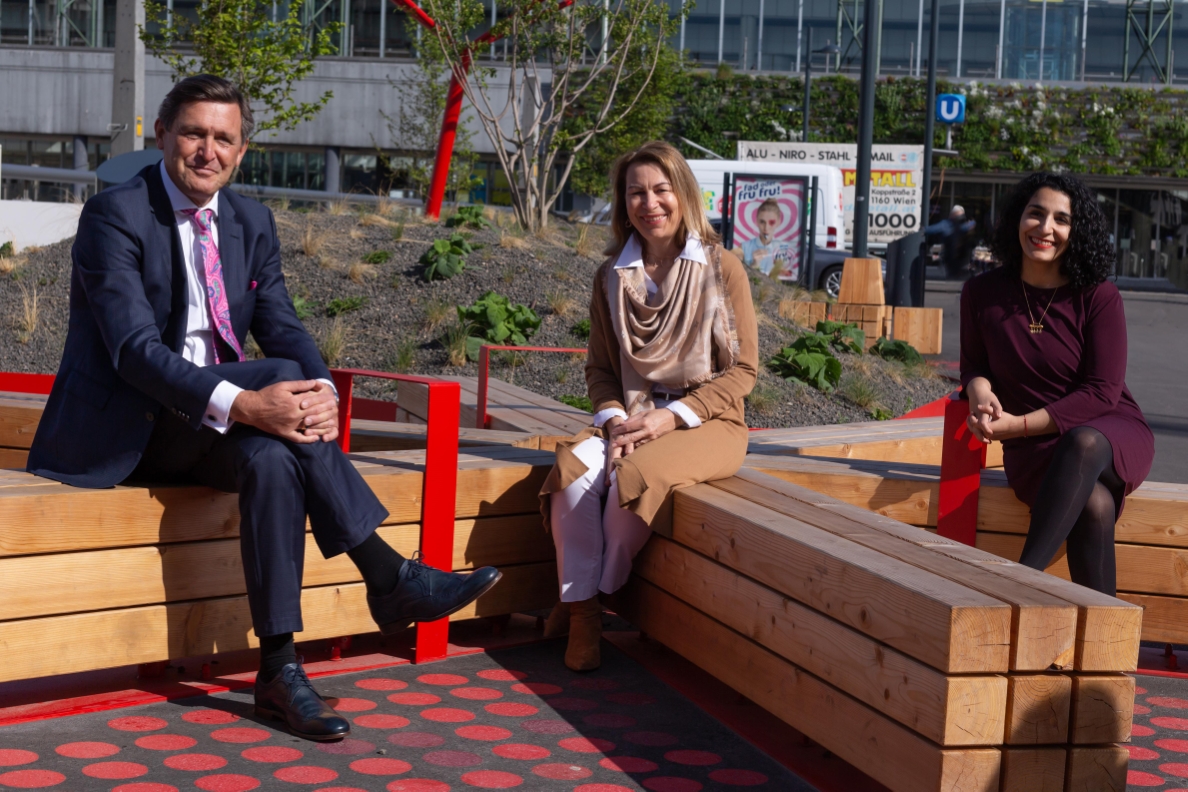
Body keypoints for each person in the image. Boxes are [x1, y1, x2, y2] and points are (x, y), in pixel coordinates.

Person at [27, 75, 500, 740]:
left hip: (214, 429)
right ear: (162, 136)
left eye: (223, 138)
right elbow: (133, 352)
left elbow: (283, 327)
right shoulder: (116, 217)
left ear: (241, 151)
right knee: (276, 386)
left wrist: (323, 400)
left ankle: (279, 670)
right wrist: (251, 399)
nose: (206, 150)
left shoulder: (251, 222)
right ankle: (387, 572)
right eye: (193, 132)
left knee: (272, 460)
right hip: (132, 431)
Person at [539, 141, 758, 671]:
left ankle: (588, 595)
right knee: (571, 473)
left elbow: (744, 371)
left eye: (661, 190)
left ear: (683, 195)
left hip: (707, 420)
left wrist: (670, 417)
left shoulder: (721, 268)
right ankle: (584, 611)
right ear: (623, 202)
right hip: (632, 416)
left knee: (630, 478)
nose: (649, 202)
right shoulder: (610, 275)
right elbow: (601, 370)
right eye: (636, 192)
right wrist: (615, 419)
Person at [960, 172, 1154, 596]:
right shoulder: (981, 292)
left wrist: (1015, 426)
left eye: (1061, 220)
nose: (1046, 228)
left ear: (1075, 231)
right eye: (1036, 213)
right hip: (1036, 452)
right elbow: (974, 364)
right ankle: (1102, 645)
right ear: (1017, 219)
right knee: (1093, 504)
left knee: (1083, 443)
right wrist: (979, 389)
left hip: (1109, 430)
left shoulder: (1098, 296)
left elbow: (1103, 392)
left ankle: (1019, 580)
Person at [740, 198, 792, 277]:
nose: (766, 227)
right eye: (762, 222)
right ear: (757, 221)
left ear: (778, 222)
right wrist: (754, 265)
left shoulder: (784, 249)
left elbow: (789, 277)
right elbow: (738, 277)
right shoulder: (744, 247)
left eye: (771, 222)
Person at [926, 204, 977, 279]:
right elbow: (971, 225)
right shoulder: (960, 226)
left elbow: (930, 230)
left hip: (953, 255)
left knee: (952, 274)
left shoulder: (947, 225)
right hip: (957, 256)